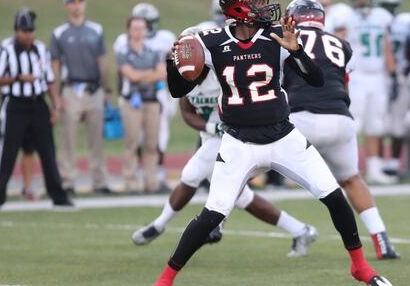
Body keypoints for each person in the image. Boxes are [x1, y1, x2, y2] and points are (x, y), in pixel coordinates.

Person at [153, 0, 391, 286]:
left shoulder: (277, 36)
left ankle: (360, 266)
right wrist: (174, 64)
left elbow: (315, 79)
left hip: (283, 136)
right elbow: (177, 90)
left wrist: (297, 52)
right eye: (259, 2)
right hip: (238, 140)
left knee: (334, 196)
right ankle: (165, 280)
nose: (266, 7)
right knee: (212, 215)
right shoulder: (210, 43)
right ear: (240, 8)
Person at [132, 26, 318, 256]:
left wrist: (222, 126)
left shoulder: (220, 68)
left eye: (190, 52)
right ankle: (300, 230)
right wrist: (212, 126)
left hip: (234, 134)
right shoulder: (185, 76)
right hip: (212, 134)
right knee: (242, 198)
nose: (186, 58)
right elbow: (188, 114)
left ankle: (160, 224)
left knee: (191, 174)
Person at [284, 0, 400, 260]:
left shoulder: (283, 40)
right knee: (352, 179)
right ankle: (383, 241)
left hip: (299, 118)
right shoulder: (341, 44)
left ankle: (220, 224)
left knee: (249, 166)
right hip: (340, 119)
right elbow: (343, 84)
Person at [0, 9, 72, 210]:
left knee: (47, 150)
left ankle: (58, 195)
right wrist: (17, 78)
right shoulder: (6, 49)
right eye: (25, 31)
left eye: (31, 31)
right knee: (7, 151)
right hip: (15, 104)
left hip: (38, 104)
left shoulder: (41, 49)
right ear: (17, 31)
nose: (29, 35)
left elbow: (49, 79)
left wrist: (55, 103)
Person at [50, 0, 112, 195]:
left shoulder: (96, 30)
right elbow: (56, 65)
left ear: (84, 3)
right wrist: (56, 96)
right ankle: (68, 180)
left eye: (80, 1)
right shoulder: (59, 33)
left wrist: (107, 89)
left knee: (96, 139)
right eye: (72, 2)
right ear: (66, 5)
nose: (77, 6)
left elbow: (102, 60)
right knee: (68, 138)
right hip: (71, 88)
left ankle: (99, 180)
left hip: (94, 88)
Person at [336, 0, 397, 184]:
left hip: (378, 77)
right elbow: (337, 43)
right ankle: (349, 168)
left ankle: (374, 168)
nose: (361, 1)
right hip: (356, 76)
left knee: (376, 124)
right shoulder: (345, 15)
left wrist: (393, 72)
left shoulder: (381, 17)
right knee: (354, 122)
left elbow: (387, 46)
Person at [114, 3, 176, 191]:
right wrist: (148, 75)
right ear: (129, 30)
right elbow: (130, 76)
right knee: (132, 143)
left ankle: (152, 182)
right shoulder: (123, 49)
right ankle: (131, 182)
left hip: (152, 100)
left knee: (152, 143)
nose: (140, 31)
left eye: (143, 27)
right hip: (132, 100)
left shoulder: (154, 49)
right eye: (136, 28)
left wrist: (140, 75)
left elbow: (161, 73)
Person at [374, 0, 410, 177]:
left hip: (401, 75)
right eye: (384, 5)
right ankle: (382, 163)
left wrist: (405, 73)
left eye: (391, 6)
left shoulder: (406, 22)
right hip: (379, 76)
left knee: (399, 124)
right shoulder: (374, 21)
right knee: (380, 122)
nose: (388, 10)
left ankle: (395, 164)